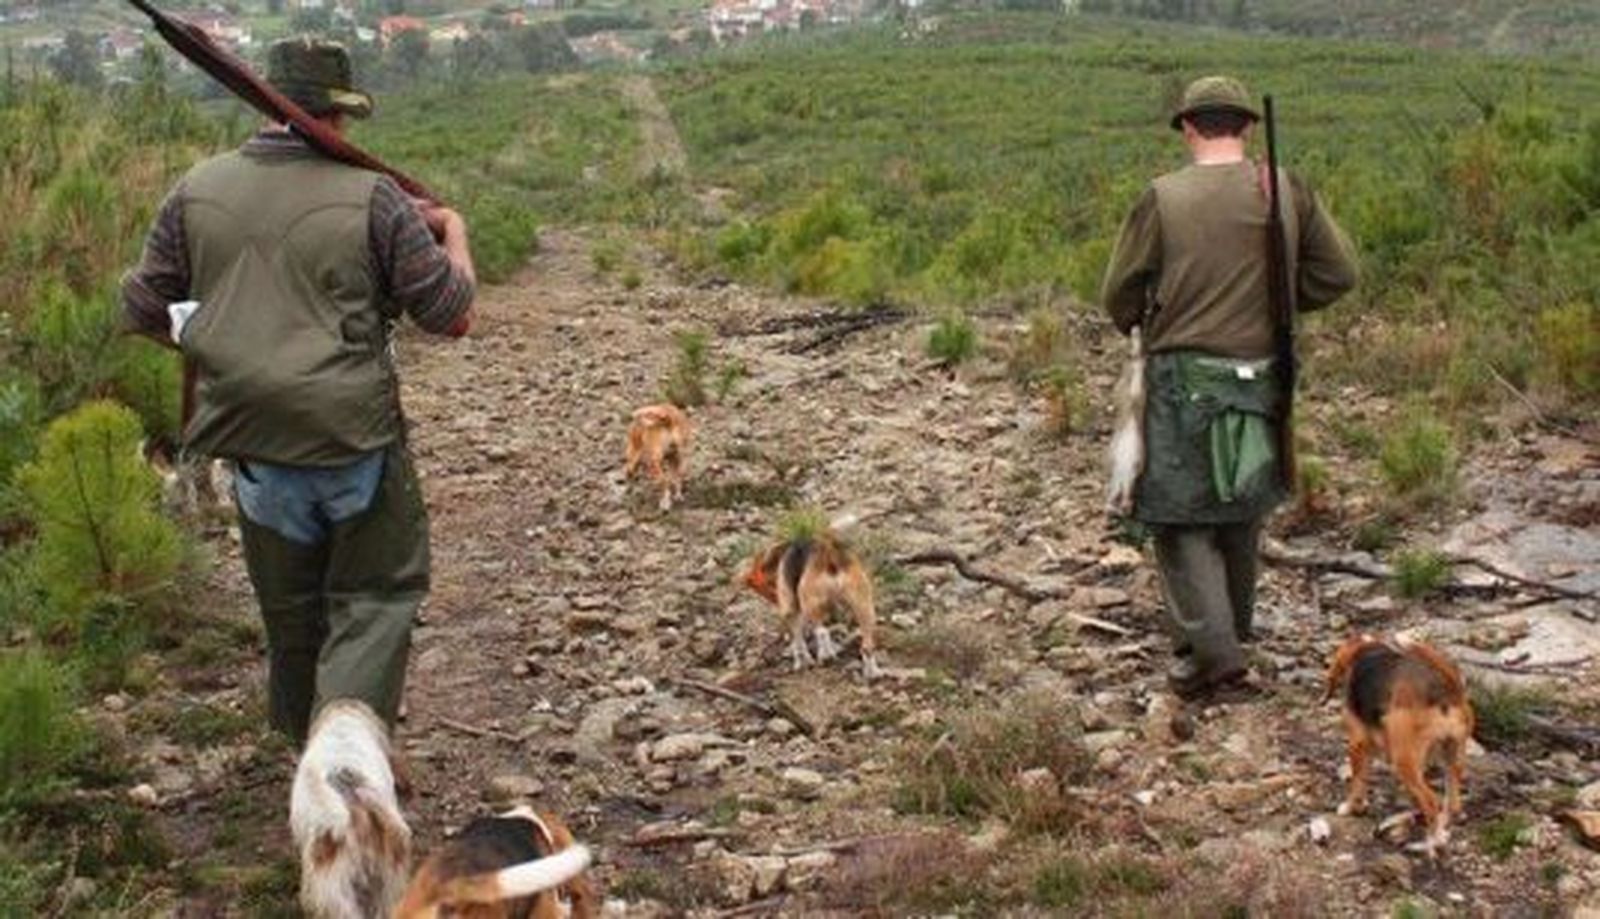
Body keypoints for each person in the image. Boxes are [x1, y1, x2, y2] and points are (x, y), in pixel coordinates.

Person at [121, 37, 476, 744]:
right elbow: (452, 312)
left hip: (254, 446)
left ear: (268, 107)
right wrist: (453, 232)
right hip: (355, 441)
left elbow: (141, 307)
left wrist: (217, 342)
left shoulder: (195, 190)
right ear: (338, 116)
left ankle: (299, 747)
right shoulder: (377, 198)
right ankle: (345, 757)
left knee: (291, 615)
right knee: (374, 601)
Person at [1100, 75, 1358, 699]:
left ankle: (1215, 656)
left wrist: (1143, 318)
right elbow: (1339, 273)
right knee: (1243, 505)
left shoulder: (1162, 198)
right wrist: (1277, 304)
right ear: (1246, 126)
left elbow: (1119, 294)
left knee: (1178, 516)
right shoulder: (1286, 189)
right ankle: (1226, 638)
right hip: (1264, 373)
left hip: (1182, 377)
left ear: (1189, 127)